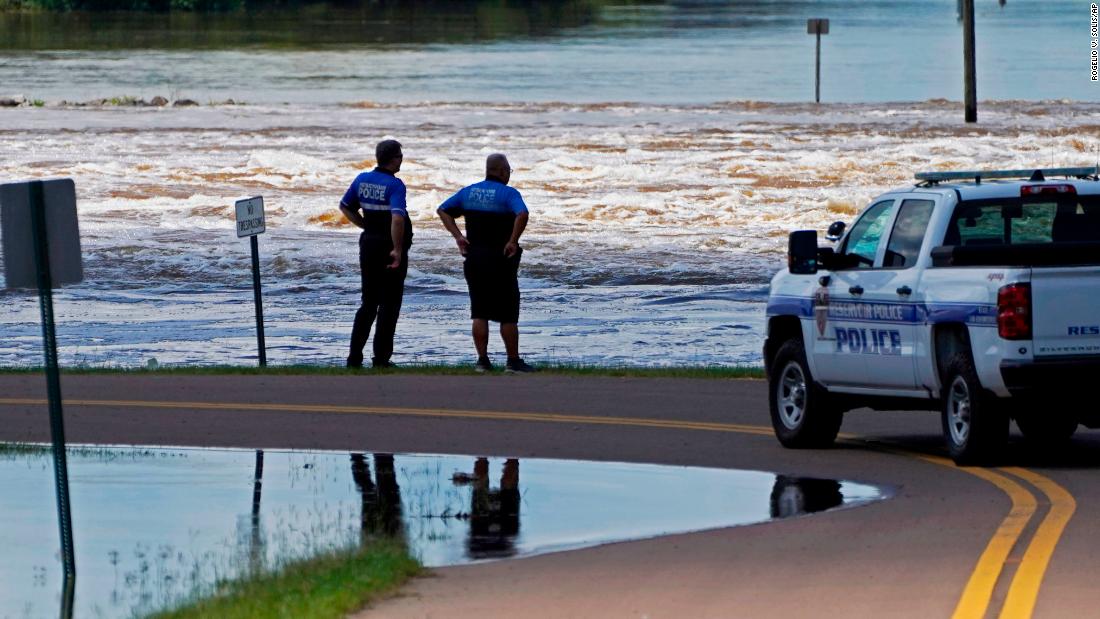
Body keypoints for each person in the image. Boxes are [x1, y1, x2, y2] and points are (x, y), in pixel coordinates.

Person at [437, 153, 535, 373]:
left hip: (475, 258)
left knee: (479, 311)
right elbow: (523, 214)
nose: (509, 174)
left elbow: (443, 210)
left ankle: (482, 361)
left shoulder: (468, 192)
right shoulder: (509, 194)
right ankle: (513, 361)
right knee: (508, 312)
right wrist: (512, 240)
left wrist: (458, 237)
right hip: (502, 259)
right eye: (508, 170)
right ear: (501, 171)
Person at [339, 139, 412, 368]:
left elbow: (345, 206)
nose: (402, 159)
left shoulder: (362, 179)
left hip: (368, 245)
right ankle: (381, 359)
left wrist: (365, 226)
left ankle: (354, 357)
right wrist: (398, 250)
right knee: (389, 305)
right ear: (394, 158)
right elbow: (398, 218)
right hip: (388, 248)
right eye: (400, 155)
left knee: (368, 302)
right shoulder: (395, 185)